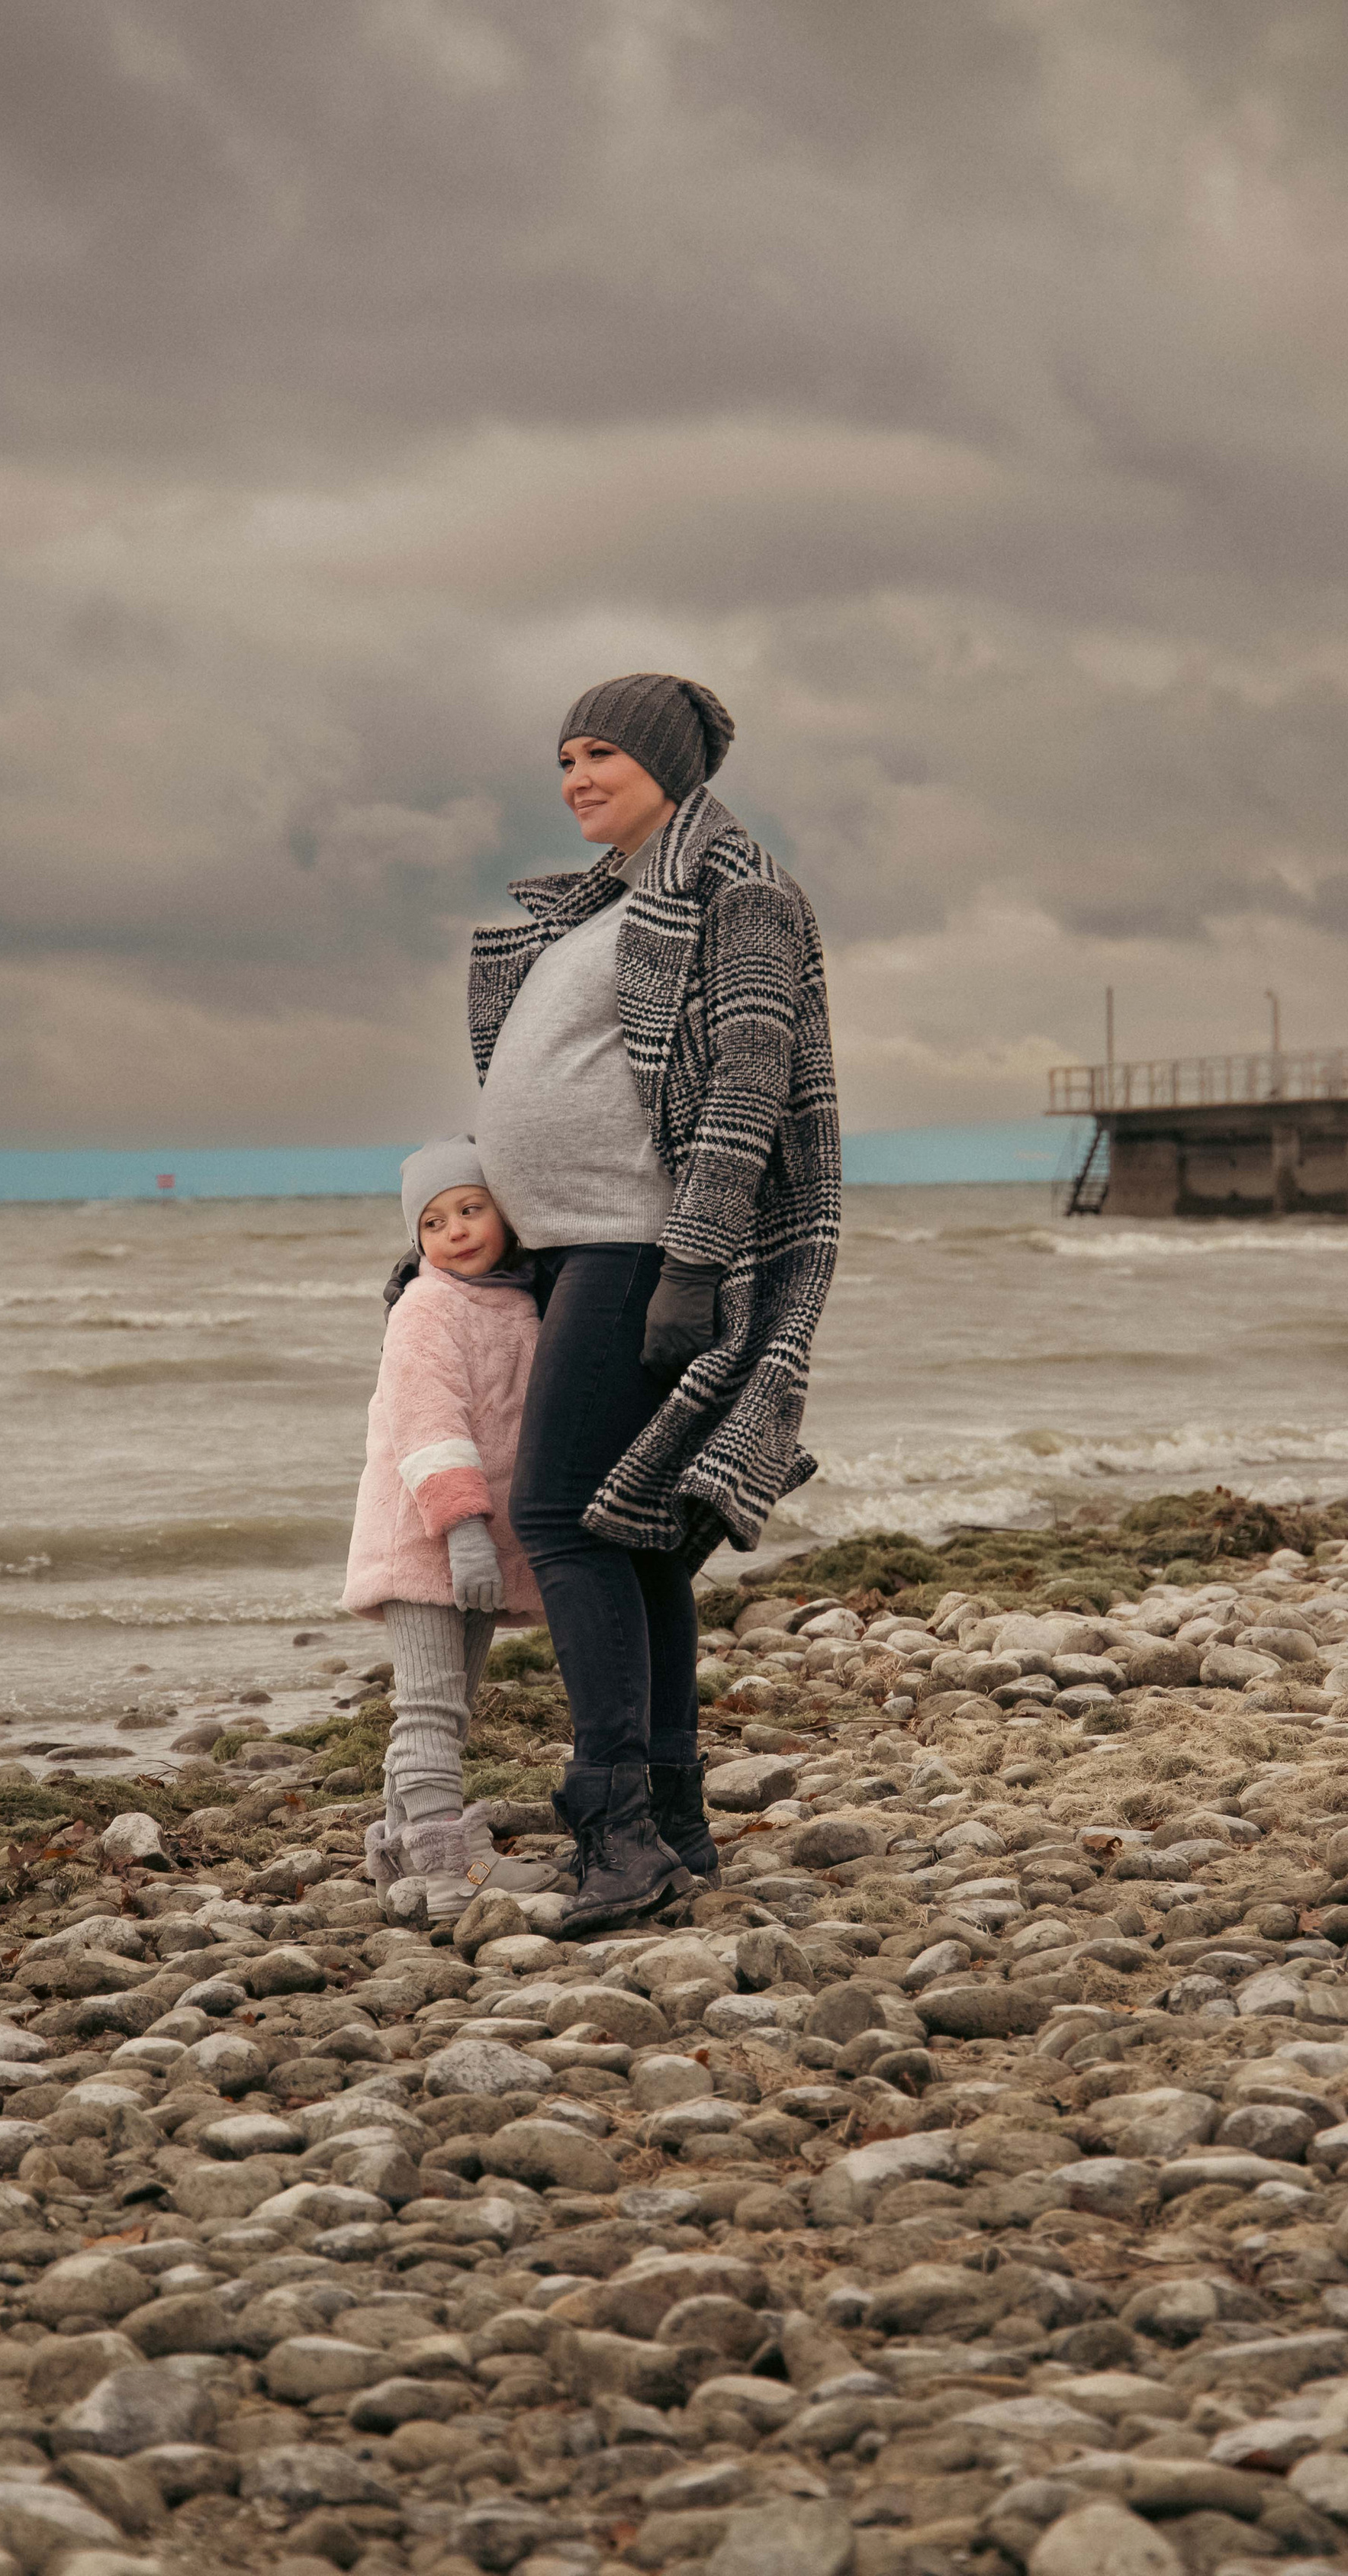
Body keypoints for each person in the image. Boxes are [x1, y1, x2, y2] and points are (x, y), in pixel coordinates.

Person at [471, 671, 841, 1934]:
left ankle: (614, 1825)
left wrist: (696, 1261)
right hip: (574, 1248)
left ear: (671, 769)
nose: (576, 777)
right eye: (565, 756)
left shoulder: (735, 889)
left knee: (560, 1518)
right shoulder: (609, 903)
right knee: (630, 1534)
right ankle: (672, 1824)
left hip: (641, 1248)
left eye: (602, 757)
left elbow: (749, 1079)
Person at [340, 1138, 558, 1920]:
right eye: (434, 1222)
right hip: (426, 1537)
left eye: (471, 1209)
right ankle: (447, 1874)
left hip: (474, 1544)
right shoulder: (427, 1309)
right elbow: (428, 1425)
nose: (457, 1230)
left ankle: (400, 1858)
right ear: (417, 1240)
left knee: (450, 1704)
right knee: (430, 1706)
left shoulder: (514, 1301)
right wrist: (464, 1530)